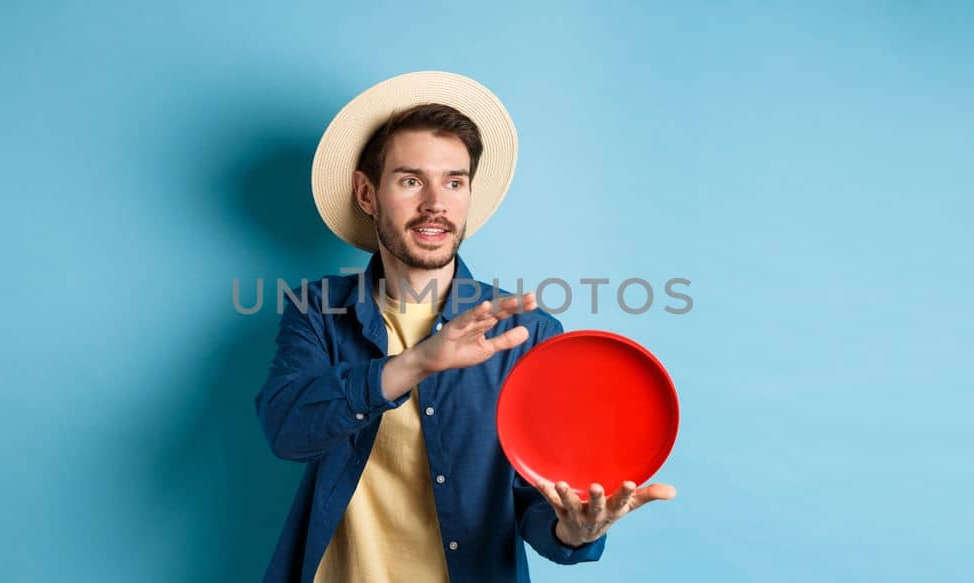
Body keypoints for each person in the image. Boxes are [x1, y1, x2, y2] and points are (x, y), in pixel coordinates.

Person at [255, 71, 676, 583]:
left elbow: (535, 501)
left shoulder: (526, 332)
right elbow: (287, 432)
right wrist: (418, 361)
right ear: (367, 194)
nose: (435, 203)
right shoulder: (316, 311)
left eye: (454, 182)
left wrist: (575, 531)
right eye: (410, 181)